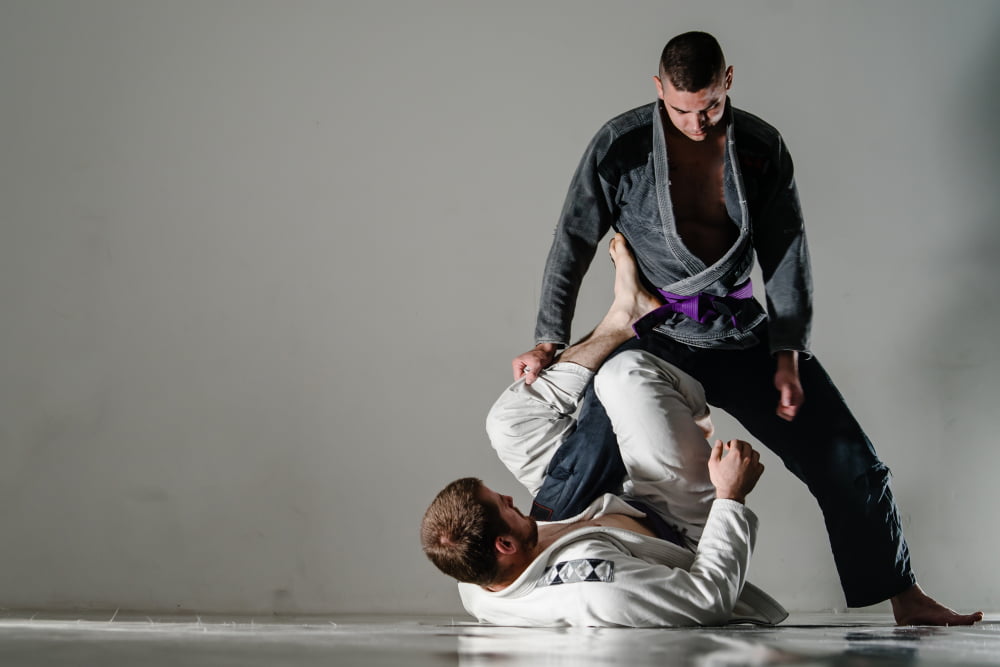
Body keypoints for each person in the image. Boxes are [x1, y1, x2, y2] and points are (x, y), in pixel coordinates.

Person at [510, 31, 982, 626]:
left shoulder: (760, 147)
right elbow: (574, 239)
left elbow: (786, 252)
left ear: (728, 81)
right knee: (585, 459)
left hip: (737, 330)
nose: (697, 122)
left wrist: (787, 353)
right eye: (681, 109)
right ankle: (514, 575)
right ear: (658, 90)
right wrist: (548, 339)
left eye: (709, 105)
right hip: (651, 330)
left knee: (845, 456)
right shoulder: (621, 145)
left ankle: (904, 595)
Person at [422, 235, 787, 627]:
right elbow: (706, 601)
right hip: (672, 523)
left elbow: (471, 552)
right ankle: (682, 405)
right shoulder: (596, 588)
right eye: (505, 507)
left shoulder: (475, 576)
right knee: (623, 375)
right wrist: (731, 496)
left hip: (579, 509)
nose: (511, 498)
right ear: (505, 544)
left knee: (508, 422)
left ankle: (622, 319)